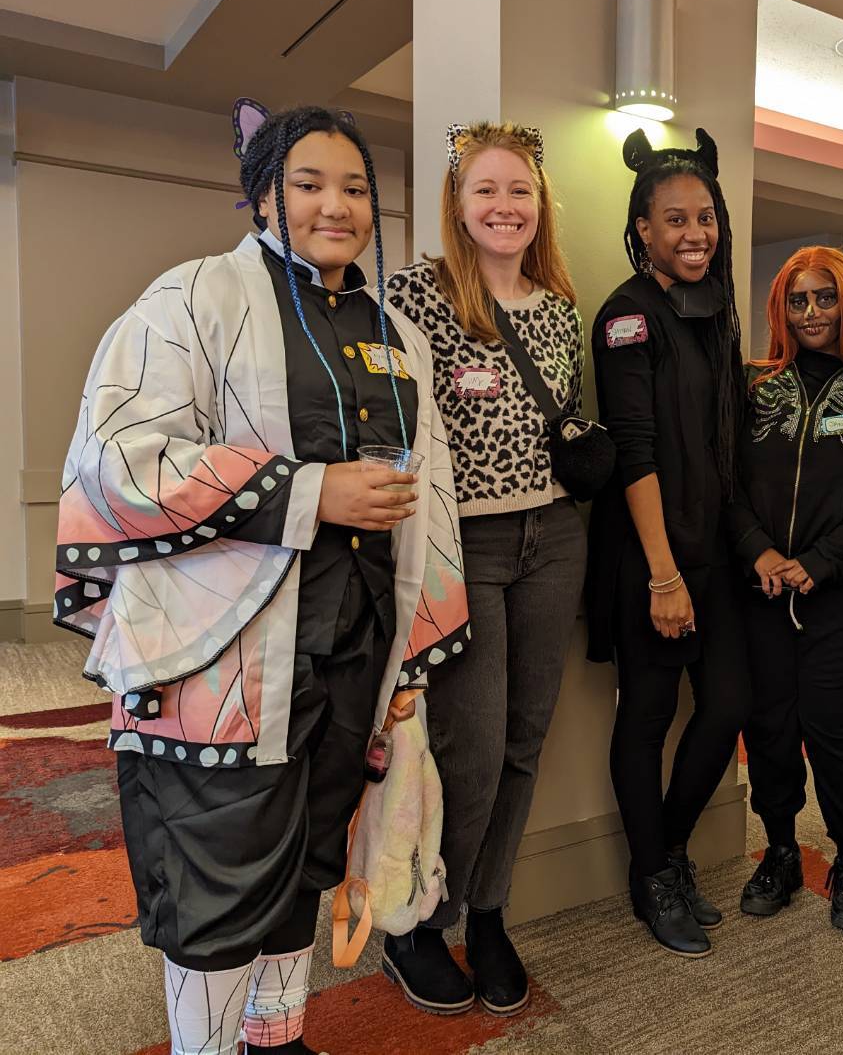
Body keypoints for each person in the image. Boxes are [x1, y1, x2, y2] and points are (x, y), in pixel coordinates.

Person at [55, 106, 467, 1055]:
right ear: (263, 197)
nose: (336, 205)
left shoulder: (396, 332)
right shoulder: (192, 298)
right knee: (221, 876)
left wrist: (410, 659)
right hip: (219, 658)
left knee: (309, 863)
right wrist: (308, 492)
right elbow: (121, 459)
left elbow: (431, 494)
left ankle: (276, 1043)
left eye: (355, 187)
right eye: (308, 184)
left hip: (355, 646)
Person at [381, 122, 587, 1016]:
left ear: (541, 205)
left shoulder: (559, 306)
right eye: (487, 190)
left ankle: (489, 913)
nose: (505, 207)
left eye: (521, 191)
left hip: (556, 538)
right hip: (463, 544)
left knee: (524, 741)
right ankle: (422, 921)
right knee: (468, 748)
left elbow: (564, 422)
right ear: (458, 203)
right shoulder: (413, 296)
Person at [584, 127, 750, 959]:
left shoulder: (716, 309)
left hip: (715, 552)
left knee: (727, 706)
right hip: (651, 557)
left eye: (705, 217)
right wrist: (662, 576)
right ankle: (650, 876)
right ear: (643, 229)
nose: (695, 233)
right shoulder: (626, 317)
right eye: (675, 219)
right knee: (647, 716)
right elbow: (635, 450)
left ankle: (670, 850)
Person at [730, 246, 843, 932]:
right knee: (769, 727)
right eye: (798, 299)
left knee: (833, 727)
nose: (811, 312)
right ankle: (780, 851)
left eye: (825, 297)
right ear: (780, 307)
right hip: (759, 591)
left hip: (840, 595)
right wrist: (758, 549)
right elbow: (723, 479)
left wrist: (820, 561)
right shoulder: (751, 387)